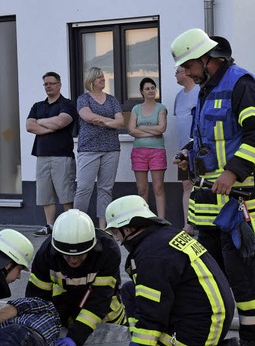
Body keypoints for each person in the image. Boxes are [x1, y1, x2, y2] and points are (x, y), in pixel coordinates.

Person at [170, 29, 255, 346]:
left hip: (242, 198)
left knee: (244, 274)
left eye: (189, 66)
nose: (185, 73)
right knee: (212, 273)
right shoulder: (207, 88)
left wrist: (233, 172)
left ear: (206, 59)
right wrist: (189, 152)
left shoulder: (242, 85)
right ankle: (213, 336)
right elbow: (209, 136)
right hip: (210, 201)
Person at [104, 195, 242, 346]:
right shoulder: (164, 236)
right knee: (130, 291)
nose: (117, 239)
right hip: (206, 315)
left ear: (128, 228)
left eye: (116, 232)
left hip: (196, 330)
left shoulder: (152, 254)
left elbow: (152, 314)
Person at [25, 209, 126, 346]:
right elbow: (37, 298)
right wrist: (36, 332)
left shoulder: (107, 250)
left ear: (91, 247)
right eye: (67, 255)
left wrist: (76, 336)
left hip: (106, 318)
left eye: (80, 255)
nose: (73, 260)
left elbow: (100, 298)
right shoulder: (46, 254)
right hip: (65, 312)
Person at [26, 71, 78, 236]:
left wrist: (39, 122)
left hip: (62, 155)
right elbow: (29, 126)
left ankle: (69, 225)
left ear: (59, 85)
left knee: (66, 193)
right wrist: (51, 125)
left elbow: (62, 121)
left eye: (52, 83)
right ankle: (50, 226)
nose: (48, 86)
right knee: (45, 194)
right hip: (42, 155)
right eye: (46, 84)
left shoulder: (67, 104)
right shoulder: (37, 106)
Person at [74, 67, 124, 229]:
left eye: (103, 77)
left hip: (111, 149)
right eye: (99, 77)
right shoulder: (83, 99)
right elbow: (87, 117)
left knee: (105, 189)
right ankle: (78, 225)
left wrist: (100, 120)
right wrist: (109, 121)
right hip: (89, 148)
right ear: (91, 81)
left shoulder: (112, 100)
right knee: (84, 188)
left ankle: (103, 227)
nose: (103, 79)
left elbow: (120, 122)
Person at [128, 77, 168, 218]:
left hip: (157, 151)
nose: (151, 90)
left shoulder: (161, 108)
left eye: (153, 88)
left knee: (158, 188)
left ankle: (161, 220)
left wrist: (142, 128)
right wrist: (153, 130)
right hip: (139, 152)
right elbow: (131, 130)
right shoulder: (136, 109)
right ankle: (145, 219)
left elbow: (161, 129)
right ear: (142, 92)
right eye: (147, 88)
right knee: (142, 189)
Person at [173, 66, 199, 235]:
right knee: (187, 185)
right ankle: (188, 226)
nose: (175, 74)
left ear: (186, 72)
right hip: (183, 150)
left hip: (198, 148)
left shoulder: (199, 92)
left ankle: (204, 224)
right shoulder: (178, 96)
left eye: (178, 71)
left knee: (202, 185)